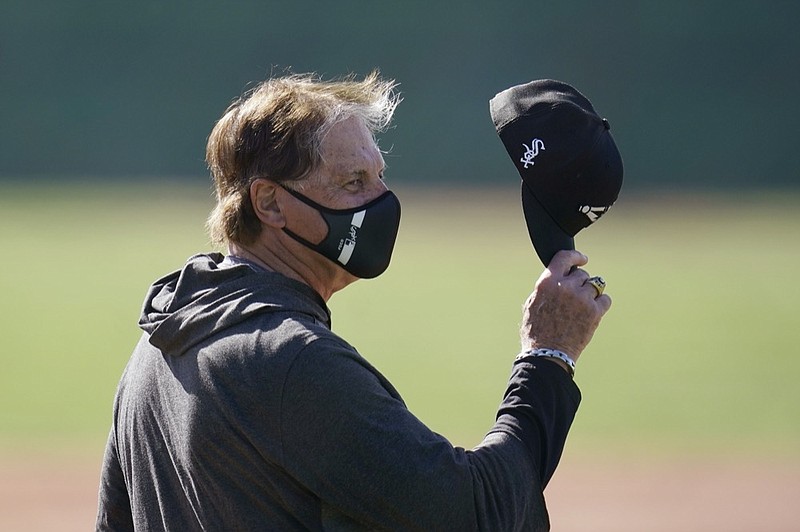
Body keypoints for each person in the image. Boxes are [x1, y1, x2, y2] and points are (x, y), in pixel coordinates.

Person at [96, 71, 612, 531]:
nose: (381, 200)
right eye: (353, 183)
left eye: (380, 176)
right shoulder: (291, 361)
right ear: (270, 203)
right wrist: (548, 357)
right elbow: (479, 512)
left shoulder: (155, 349)